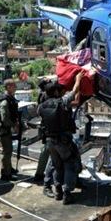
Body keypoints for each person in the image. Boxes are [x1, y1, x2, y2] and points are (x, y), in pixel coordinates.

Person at [38, 71, 84, 205]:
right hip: (63, 140)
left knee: (57, 166)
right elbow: (74, 91)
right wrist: (78, 79)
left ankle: (57, 190)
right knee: (69, 163)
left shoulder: (41, 106)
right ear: (57, 93)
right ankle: (67, 193)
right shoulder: (62, 102)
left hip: (49, 140)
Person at [34, 78, 55, 198]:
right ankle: (43, 176)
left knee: (46, 151)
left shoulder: (42, 96)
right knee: (48, 152)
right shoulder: (47, 98)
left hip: (44, 128)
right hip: (49, 129)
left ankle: (39, 174)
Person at [0, 79, 20, 181]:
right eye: (14, 85)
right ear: (9, 87)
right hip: (4, 129)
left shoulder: (10, 98)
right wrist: (14, 125)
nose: (16, 87)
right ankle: (6, 174)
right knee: (7, 152)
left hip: (6, 129)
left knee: (8, 151)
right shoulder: (5, 101)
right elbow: (4, 119)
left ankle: (8, 168)